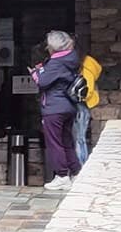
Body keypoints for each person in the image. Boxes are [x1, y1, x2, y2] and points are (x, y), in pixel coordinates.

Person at [31, 31, 84, 190]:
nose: (47, 48)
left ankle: (62, 176)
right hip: (68, 106)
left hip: (54, 107)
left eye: (48, 45)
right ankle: (76, 172)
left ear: (54, 47)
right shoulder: (71, 59)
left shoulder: (56, 62)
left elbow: (42, 81)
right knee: (66, 141)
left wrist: (35, 72)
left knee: (54, 142)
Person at [74, 53, 104, 165]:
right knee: (80, 138)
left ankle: (81, 166)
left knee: (79, 139)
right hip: (83, 105)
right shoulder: (89, 67)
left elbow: (87, 91)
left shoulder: (86, 68)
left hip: (80, 105)